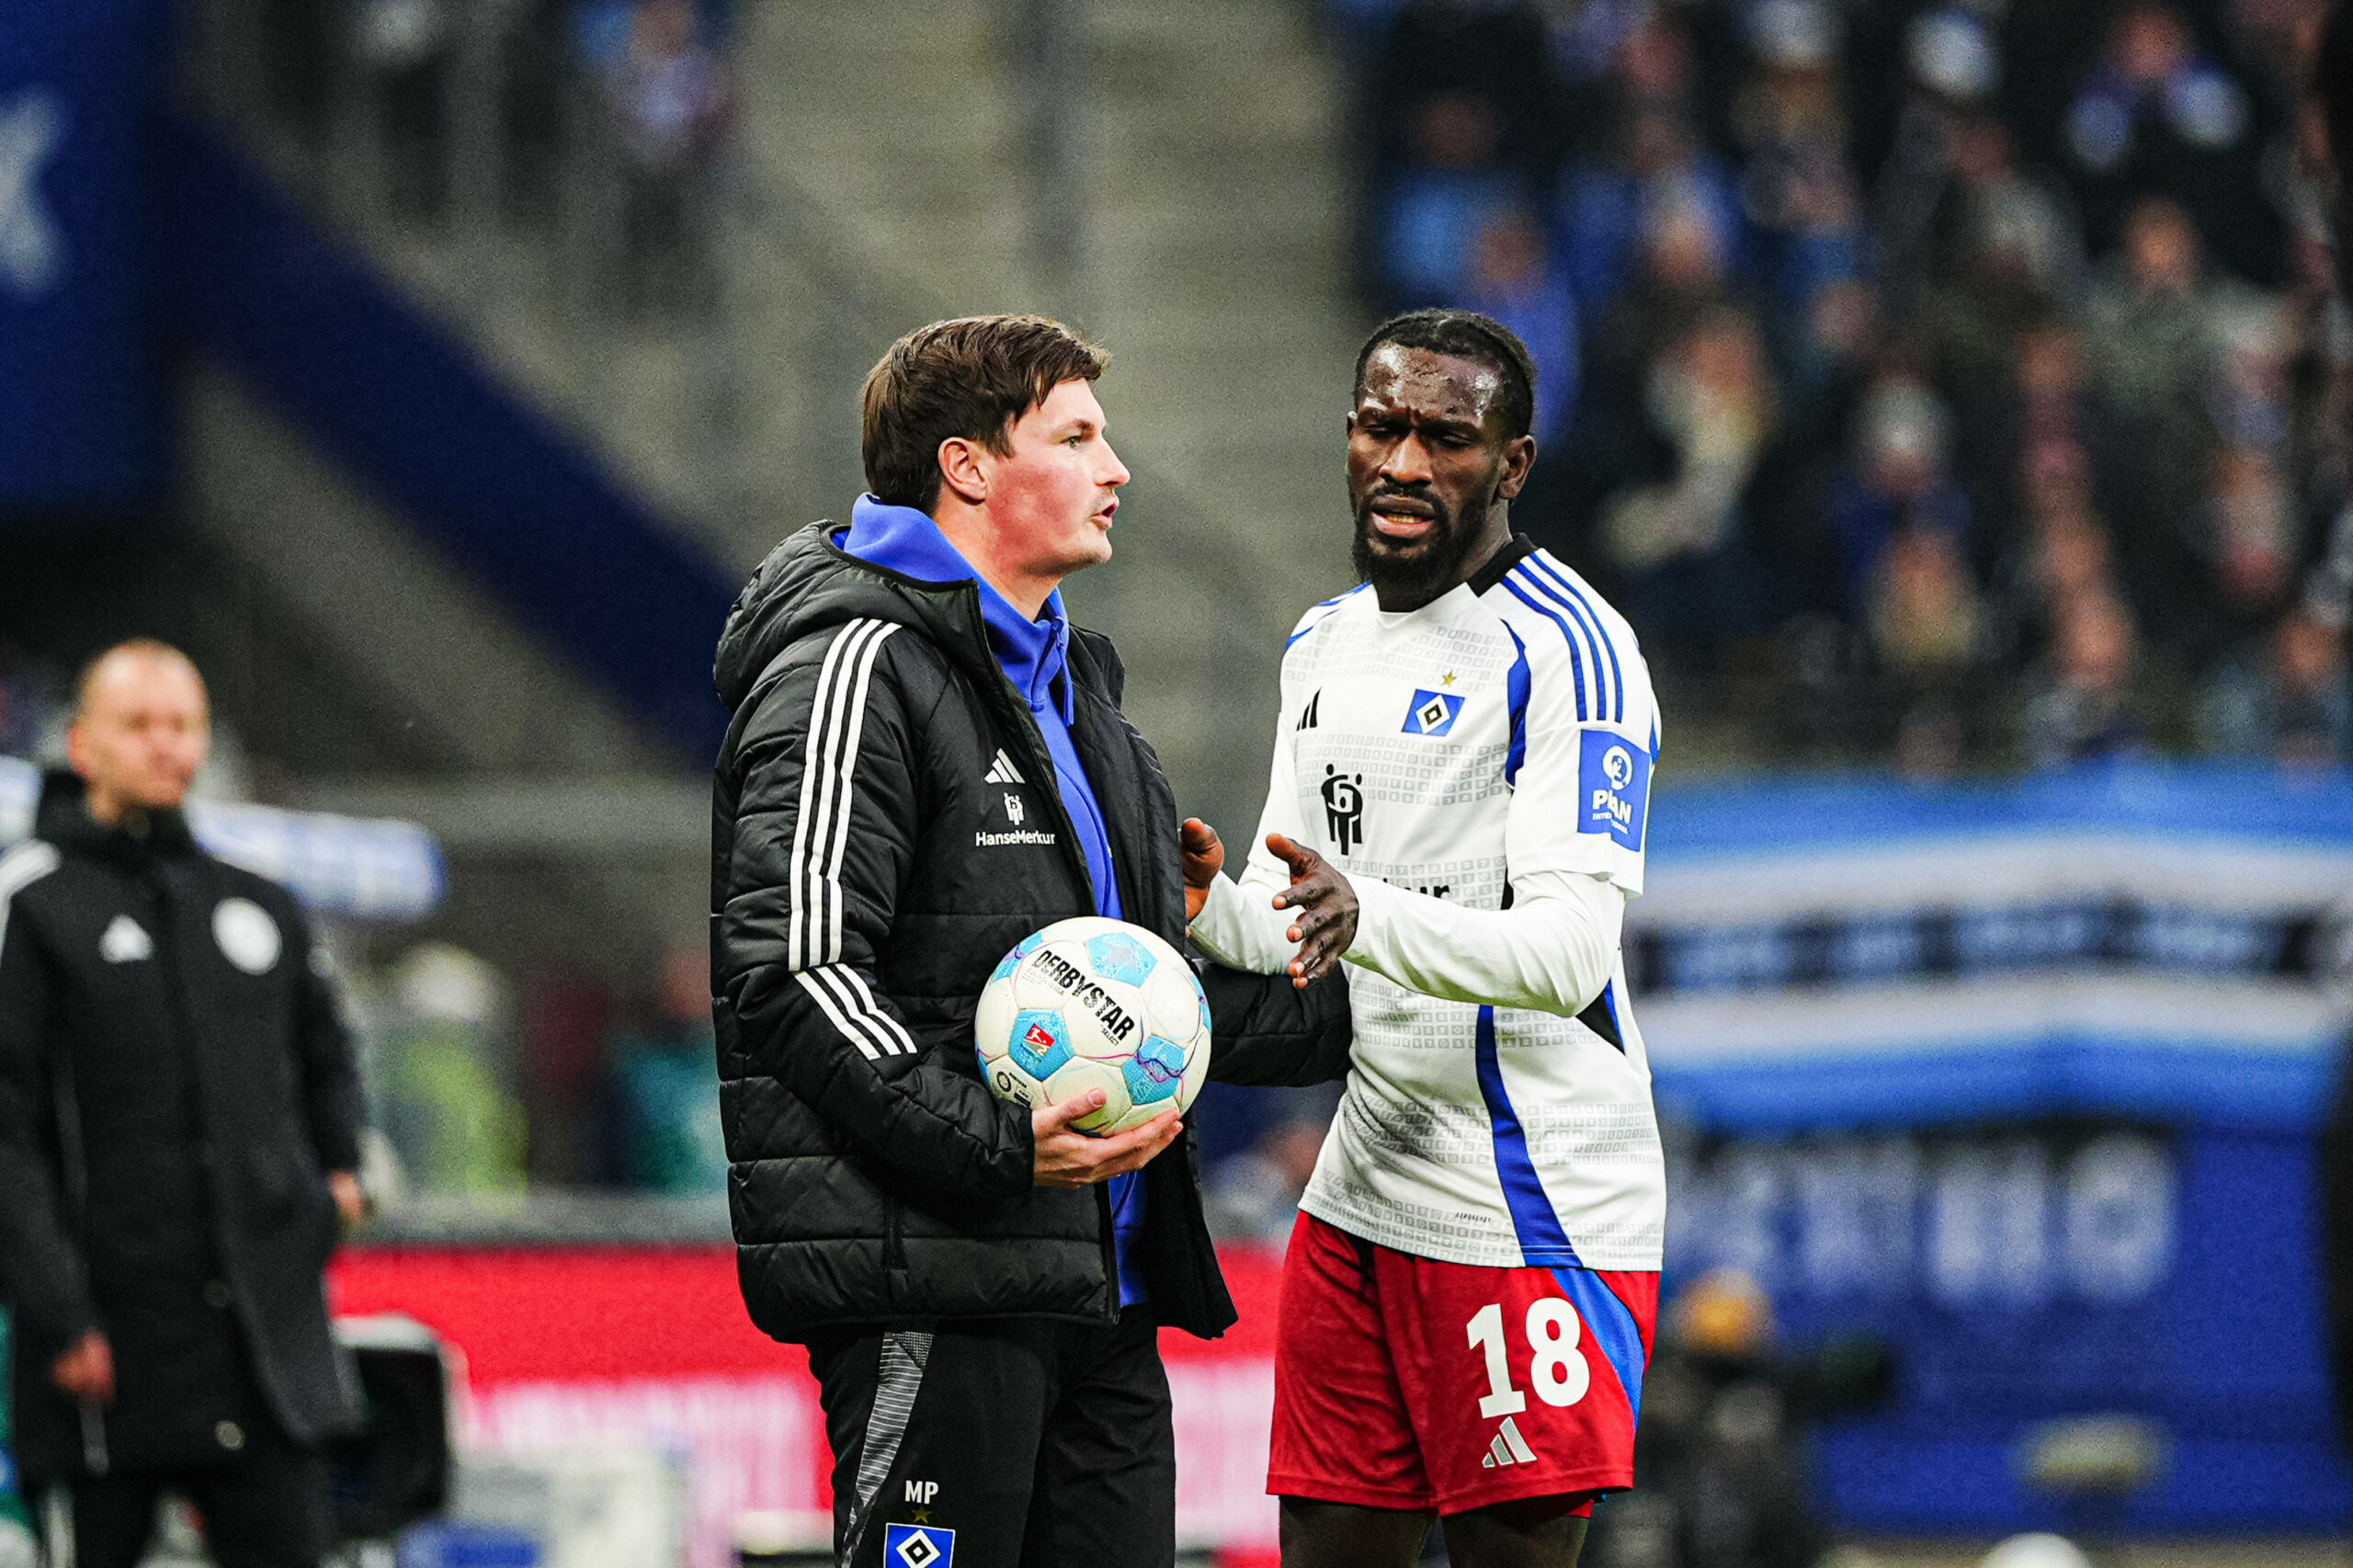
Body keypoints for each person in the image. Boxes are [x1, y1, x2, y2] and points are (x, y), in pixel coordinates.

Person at [707, 314, 1346, 1568]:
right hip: (936, 1283)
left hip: (1099, 1289)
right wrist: (997, 1142)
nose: (1117, 469)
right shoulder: (855, 662)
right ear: (968, 466)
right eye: (1076, 436)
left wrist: (1388, 1004)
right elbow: (792, 962)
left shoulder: (1077, 689)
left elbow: (1160, 984)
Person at [1184, 308, 1665, 1568]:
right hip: (1363, 1185)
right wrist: (1204, 903)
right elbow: (1300, 908)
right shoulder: (1321, 641)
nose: (1404, 464)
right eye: (1381, 427)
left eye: (1446, 438)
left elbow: (1568, 953)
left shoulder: (1576, 651)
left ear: (1510, 465)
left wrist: (1368, 912)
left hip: (1531, 1199)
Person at [0, 641, 368, 1568]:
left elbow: (329, 1058)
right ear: (83, 745)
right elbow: (10, 1131)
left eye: (181, 724)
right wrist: (58, 1312)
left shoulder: (261, 907)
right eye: (138, 724)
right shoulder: (39, 912)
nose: (164, 744)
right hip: (108, 1352)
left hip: (261, 1343)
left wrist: (342, 1177)